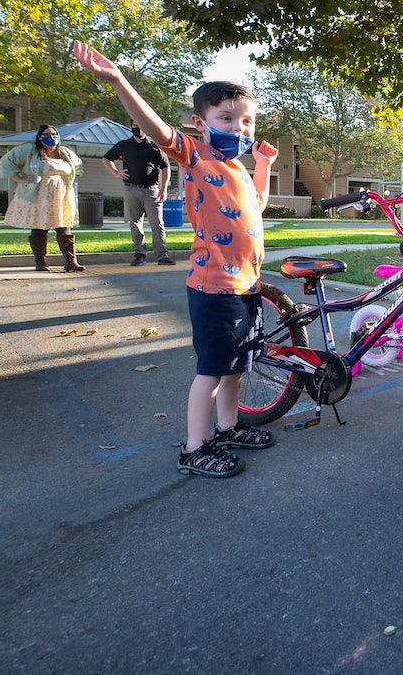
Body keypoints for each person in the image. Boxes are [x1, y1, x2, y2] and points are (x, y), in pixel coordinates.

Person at [74, 40, 279, 479]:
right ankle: (194, 447)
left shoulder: (238, 169)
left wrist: (262, 163)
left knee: (236, 367)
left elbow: (258, 204)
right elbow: (155, 128)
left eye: (247, 121)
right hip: (214, 288)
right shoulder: (195, 154)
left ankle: (228, 427)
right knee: (211, 372)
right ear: (199, 123)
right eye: (226, 118)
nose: (239, 128)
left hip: (246, 285)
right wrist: (119, 80)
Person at [0, 125, 86, 272]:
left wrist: (68, 181)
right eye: (46, 134)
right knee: (40, 227)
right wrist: (20, 179)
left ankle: (71, 262)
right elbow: (6, 161)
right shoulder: (29, 150)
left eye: (54, 134)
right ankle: (40, 262)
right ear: (39, 137)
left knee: (64, 228)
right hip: (39, 196)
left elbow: (78, 167)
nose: (51, 137)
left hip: (61, 197)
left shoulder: (65, 153)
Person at [102, 119, 176, 266]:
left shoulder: (155, 147)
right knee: (135, 223)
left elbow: (166, 167)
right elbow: (106, 159)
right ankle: (140, 254)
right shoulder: (124, 145)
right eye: (135, 126)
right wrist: (116, 173)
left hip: (152, 190)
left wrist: (164, 189)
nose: (139, 128)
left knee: (157, 223)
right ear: (130, 126)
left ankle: (162, 255)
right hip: (131, 189)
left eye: (141, 125)